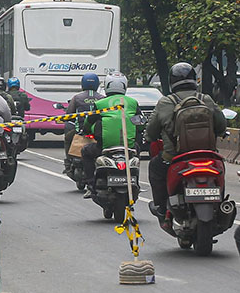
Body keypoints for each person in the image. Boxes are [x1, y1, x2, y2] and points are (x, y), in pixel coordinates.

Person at [145, 62, 227, 221]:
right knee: (220, 169)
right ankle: (221, 204)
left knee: (155, 167)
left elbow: (151, 131)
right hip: (207, 156)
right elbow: (221, 125)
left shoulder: (165, 103)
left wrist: (149, 138)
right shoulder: (206, 99)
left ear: (171, 82)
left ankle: (161, 207)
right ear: (194, 80)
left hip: (175, 157)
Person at [83, 75, 140, 198]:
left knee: (85, 152)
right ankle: (136, 183)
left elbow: (89, 121)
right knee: (137, 152)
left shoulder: (99, 103)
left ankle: (91, 185)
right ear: (125, 86)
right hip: (128, 147)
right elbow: (140, 122)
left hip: (104, 146)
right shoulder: (133, 103)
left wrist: (86, 130)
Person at [62, 72, 101, 176]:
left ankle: (68, 162)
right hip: (98, 132)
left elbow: (69, 114)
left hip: (81, 131)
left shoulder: (77, 97)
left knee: (67, 139)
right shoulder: (103, 98)